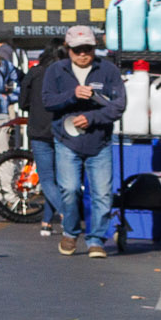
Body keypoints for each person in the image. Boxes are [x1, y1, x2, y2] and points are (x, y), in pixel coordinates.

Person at [33, 21, 127, 256]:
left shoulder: (108, 70)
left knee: (102, 194)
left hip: (100, 142)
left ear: (95, 48)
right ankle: (70, 233)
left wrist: (93, 117)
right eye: (78, 50)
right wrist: (72, 95)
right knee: (70, 189)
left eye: (88, 49)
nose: (83, 54)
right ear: (68, 48)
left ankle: (96, 239)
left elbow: (119, 105)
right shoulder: (56, 70)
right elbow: (47, 101)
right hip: (67, 141)